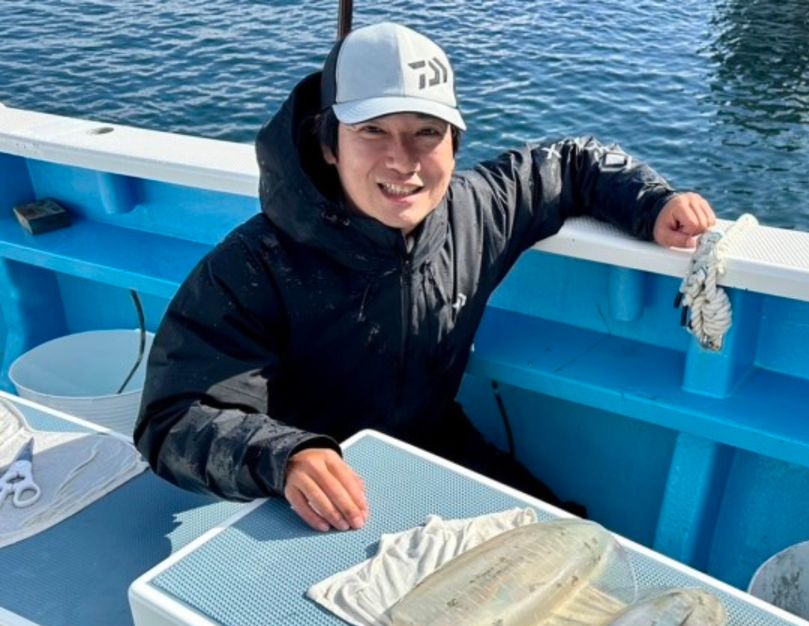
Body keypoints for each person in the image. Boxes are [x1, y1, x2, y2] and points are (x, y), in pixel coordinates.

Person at [135, 22, 715, 533]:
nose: (402, 160)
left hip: (436, 444)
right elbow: (172, 417)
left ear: (455, 143)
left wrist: (652, 202)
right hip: (307, 492)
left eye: (426, 132)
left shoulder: (477, 209)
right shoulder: (255, 263)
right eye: (372, 131)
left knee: (571, 539)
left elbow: (571, 163)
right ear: (328, 144)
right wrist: (283, 456)